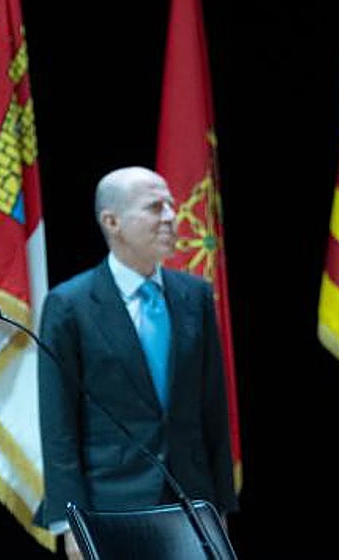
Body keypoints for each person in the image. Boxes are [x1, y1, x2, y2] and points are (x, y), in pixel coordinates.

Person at [37, 165, 237, 557]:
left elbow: (213, 409)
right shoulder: (70, 305)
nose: (170, 217)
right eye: (154, 207)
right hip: (109, 503)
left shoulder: (195, 295)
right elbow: (57, 423)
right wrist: (69, 522)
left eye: (170, 206)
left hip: (191, 502)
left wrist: (220, 506)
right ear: (112, 222)